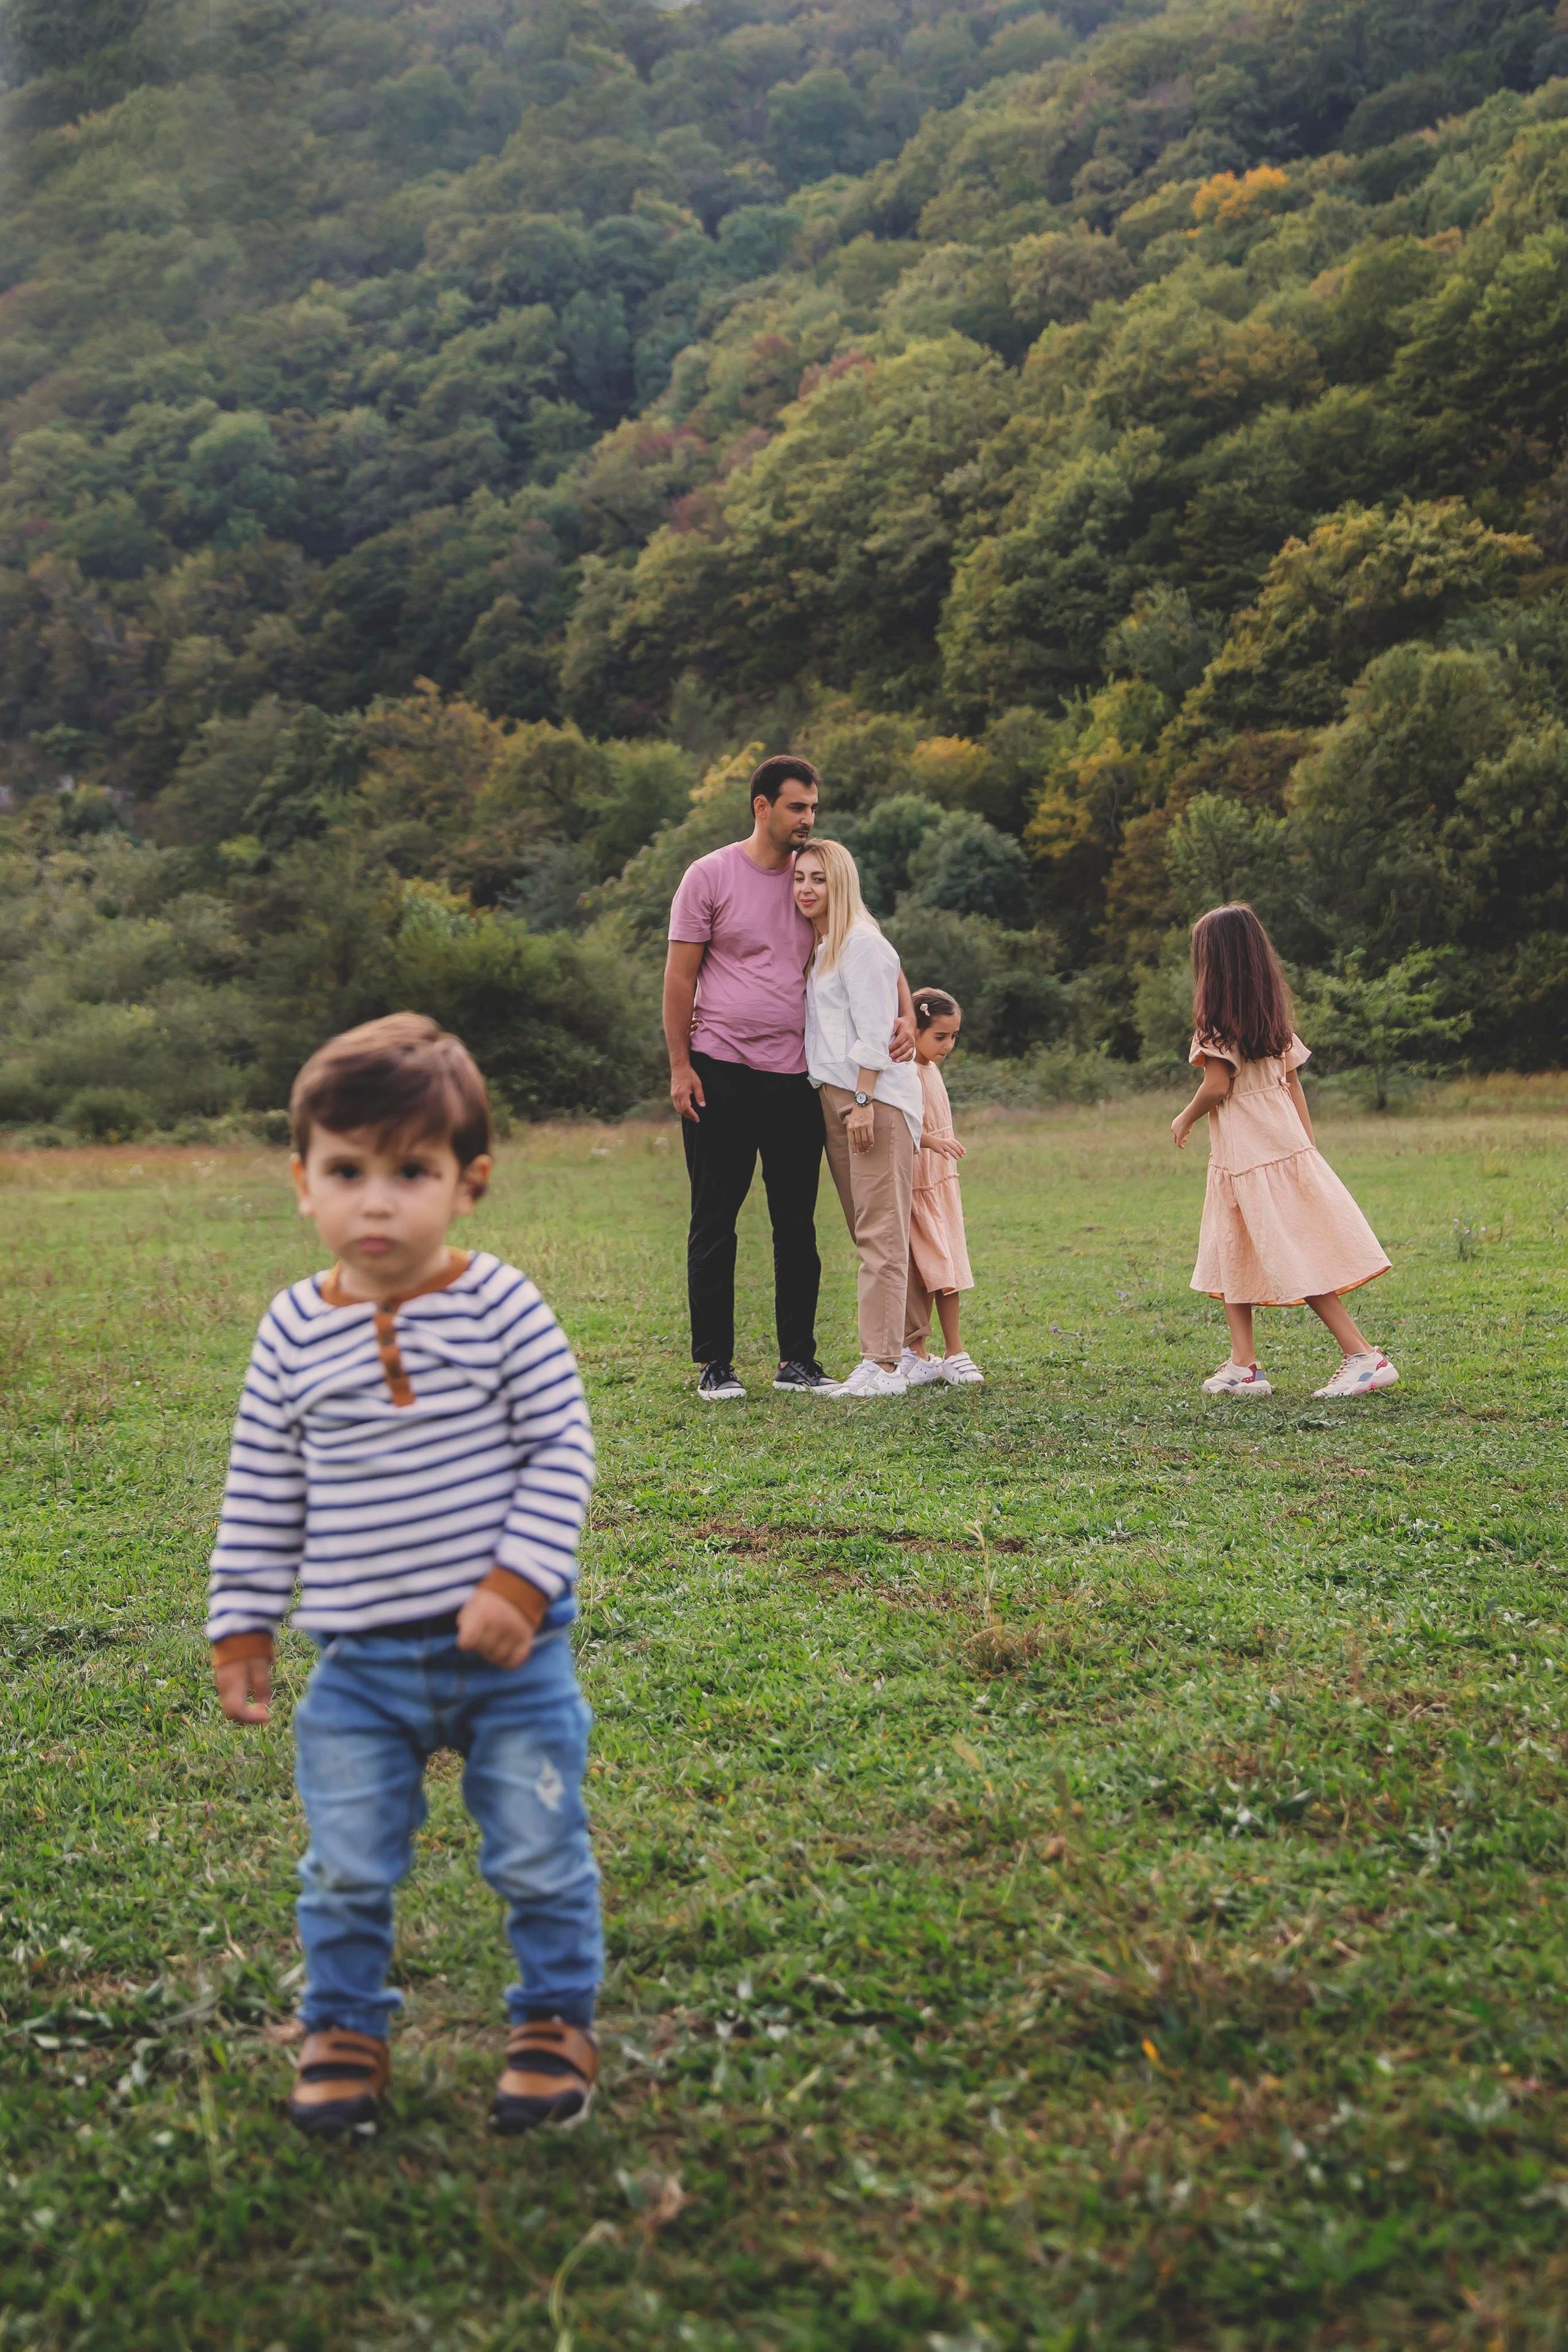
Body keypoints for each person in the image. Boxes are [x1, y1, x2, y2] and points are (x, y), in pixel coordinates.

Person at [205, 1013, 603, 2139]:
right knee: (345, 1863)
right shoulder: (290, 1333)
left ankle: (553, 2021)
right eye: (347, 1171)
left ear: (468, 1184)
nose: (376, 1201)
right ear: (302, 1181)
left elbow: (563, 1447)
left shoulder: (503, 1306)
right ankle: (344, 2028)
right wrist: (242, 1626)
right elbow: (261, 1490)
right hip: (362, 1665)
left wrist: (520, 1585)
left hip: (511, 1655)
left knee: (536, 1847)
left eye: (411, 1172)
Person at [665, 753, 915, 1401]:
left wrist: (908, 1010)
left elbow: (868, 941)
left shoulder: (817, 874)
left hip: (795, 1079)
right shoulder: (709, 876)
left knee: (795, 1224)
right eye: (797, 807)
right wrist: (678, 1066)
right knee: (715, 1218)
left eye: (812, 807)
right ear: (762, 807)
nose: (808, 818)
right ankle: (714, 1364)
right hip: (718, 1069)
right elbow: (679, 977)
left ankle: (796, 1360)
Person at [1172, 904, 1399, 1400]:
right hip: (1262, 1154)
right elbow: (1294, 1087)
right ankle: (1243, 1364)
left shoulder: (1215, 1028)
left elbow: (1215, 1086)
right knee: (1234, 1250)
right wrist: (1305, 1147)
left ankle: (1362, 1355)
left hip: (1253, 1157)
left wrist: (1185, 1116)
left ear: (1211, 965)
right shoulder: (1271, 1022)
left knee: (1294, 1254)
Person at [794, 840, 924, 1398]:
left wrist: (865, 1100)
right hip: (834, 1095)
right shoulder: (825, 945)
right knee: (871, 1228)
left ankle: (884, 1364)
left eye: (819, 879)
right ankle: (914, 1348)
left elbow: (876, 1028)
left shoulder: (861, 944)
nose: (805, 888)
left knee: (879, 1233)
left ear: (841, 883)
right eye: (799, 877)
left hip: (869, 1097)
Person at [898, 988, 983, 1389]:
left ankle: (949, 1352)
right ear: (913, 1028)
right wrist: (933, 1142)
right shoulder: (903, 1070)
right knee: (930, 1271)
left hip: (941, 1182)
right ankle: (926, 1351)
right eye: (940, 1037)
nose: (948, 1045)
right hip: (918, 1184)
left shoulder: (930, 1067)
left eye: (954, 1037)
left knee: (944, 1265)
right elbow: (900, 1126)